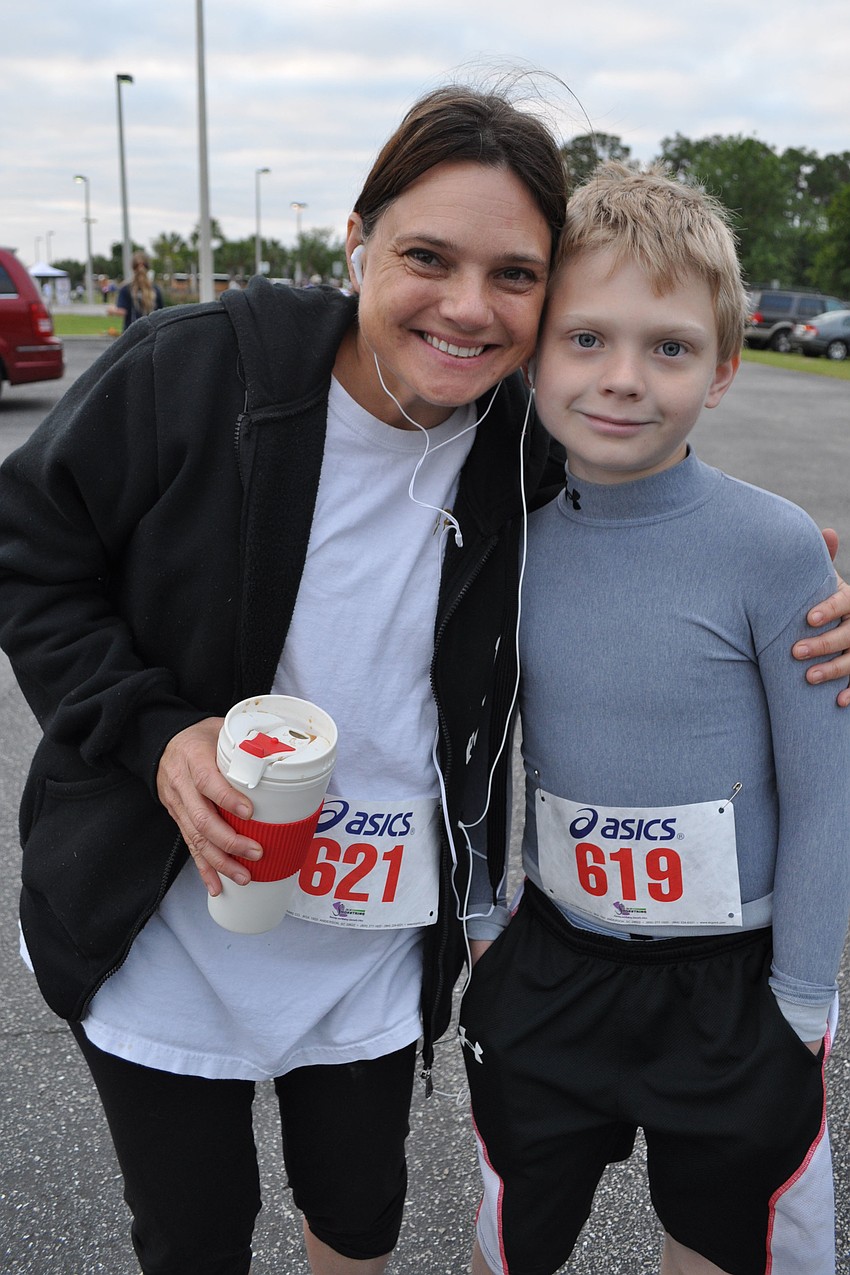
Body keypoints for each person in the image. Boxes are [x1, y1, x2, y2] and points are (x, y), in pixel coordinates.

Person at [0, 88, 846, 1275]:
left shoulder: (525, 439)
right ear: (357, 240)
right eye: (426, 258)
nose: (465, 306)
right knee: (191, 1233)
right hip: (168, 917)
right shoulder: (199, 372)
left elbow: (657, 494)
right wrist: (155, 732)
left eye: (512, 275)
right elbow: (30, 551)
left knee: (359, 1217)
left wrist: (798, 577)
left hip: (372, 940)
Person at [459, 162, 850, 1275]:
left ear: (723, 368)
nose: (622, 379)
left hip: (734, 990)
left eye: (668, 347)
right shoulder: (507, 538)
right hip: (551, 965)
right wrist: (486, 930)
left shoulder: (771, 548)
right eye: (584, 339)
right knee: (514, 1238)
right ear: (532, 351)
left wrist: (800, 1004)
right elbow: (478, 748)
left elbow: (827, 790)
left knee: (726, 1244)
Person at [108, 250, 164, 329]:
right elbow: (161, 313)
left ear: (133, 267)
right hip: (152, 334)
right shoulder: (155, 289)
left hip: (131, 334)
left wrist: (112, 310)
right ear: (148, 267)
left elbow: (122, 311)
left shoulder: (126, 289)